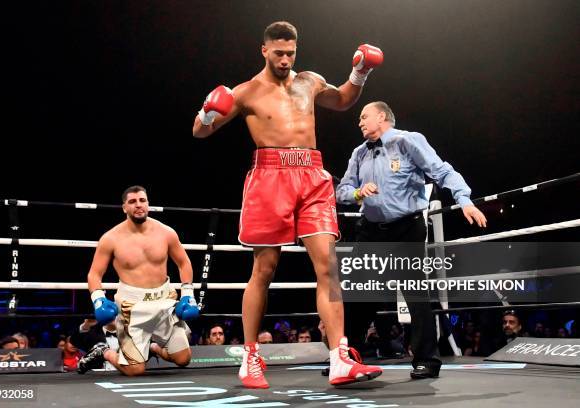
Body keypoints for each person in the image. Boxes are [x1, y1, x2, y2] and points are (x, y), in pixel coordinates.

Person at [192, 21, 384, 388]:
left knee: (328, 266)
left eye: (290, 53)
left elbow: (343, 100)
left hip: (312, 176)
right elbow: (200, 132)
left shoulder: (309, 81)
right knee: (264, 268)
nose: (284, 60)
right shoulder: (246, 92)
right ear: (264, 50)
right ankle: (250, 357)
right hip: (269, 177)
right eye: (278, 53)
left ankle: (339, 356)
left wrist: (360, 72)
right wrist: (207, 111)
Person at [336, 101, 487, 379]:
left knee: (415, 294)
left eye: (364, 116)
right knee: (359, 295)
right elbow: (342, 189)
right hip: (370, 230)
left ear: (381, 116)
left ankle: (426, 360)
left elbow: (442, 171)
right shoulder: (359, 153)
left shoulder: (408, 141)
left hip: (406, 227)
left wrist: (463, 199)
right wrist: (357, 194)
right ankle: (346, 359)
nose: (359, 122)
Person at [77, 185, 198, 376]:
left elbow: (184, 263)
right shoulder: (111, 238)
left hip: (164, 301)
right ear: (124, 207)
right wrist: (98, 299)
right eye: (132, 202)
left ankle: (151, 348)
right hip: (131, 306)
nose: (138, 205)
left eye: (142, 200)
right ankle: (104, 351)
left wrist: (188, 294)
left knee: (183, 359)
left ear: (148, 204)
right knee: (135, 370)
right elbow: (94, 274)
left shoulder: (166, 232)